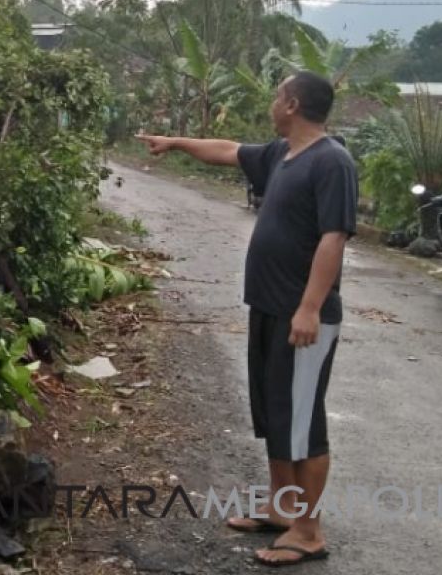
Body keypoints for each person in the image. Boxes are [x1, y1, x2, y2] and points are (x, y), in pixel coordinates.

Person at [137, 71, 357, 568]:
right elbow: (227, 149)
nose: (272, 102)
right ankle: (283, 510)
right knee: (274, 414)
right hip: (268, 308)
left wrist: (309, 307)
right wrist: (174, 142)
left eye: (278, 95)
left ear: (294, 103)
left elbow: (334, 237)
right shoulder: (282, 154)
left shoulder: (332, 161)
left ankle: (309, 531)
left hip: (302, 317)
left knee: (302, 421)